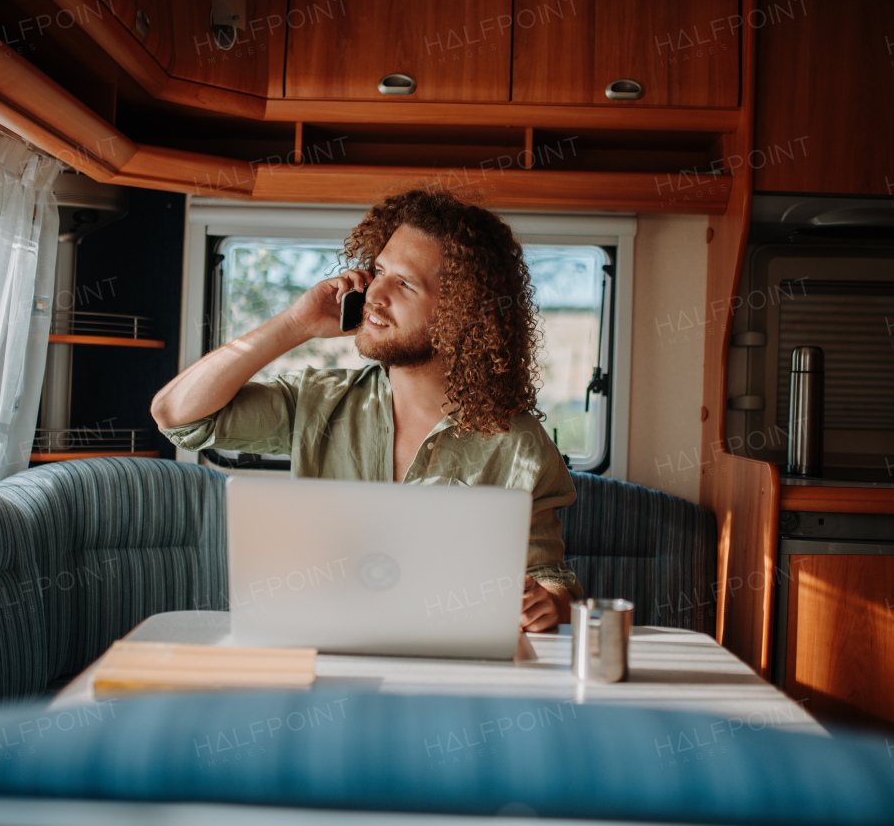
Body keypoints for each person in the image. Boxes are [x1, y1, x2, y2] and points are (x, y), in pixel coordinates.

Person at [151, 187, 581, 631]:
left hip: (447, 661)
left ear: (460, 314)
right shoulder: (318, 401)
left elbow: (548, 581)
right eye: (378, 271)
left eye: (405, 283)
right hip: (323, 649)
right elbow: (178, 415)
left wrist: (549, 603)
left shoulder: (519, 446)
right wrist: (295, 324)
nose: (375, 293)